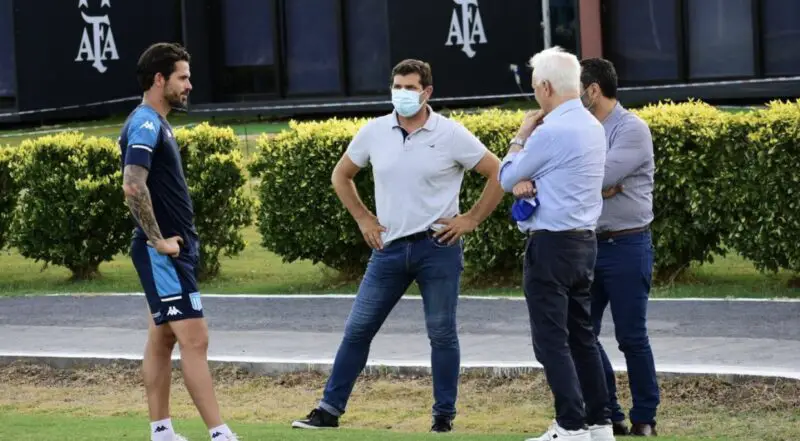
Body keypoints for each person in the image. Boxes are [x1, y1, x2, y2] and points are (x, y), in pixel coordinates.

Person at [291, 59, 505, 433]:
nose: (402, 94)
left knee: (441, 333)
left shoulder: (451, 134)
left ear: (427, 93)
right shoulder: (375, 131)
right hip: (388, 249)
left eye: (410, 88)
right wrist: (363, 218)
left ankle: (443, 417)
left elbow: (498, 172)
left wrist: (471, 218)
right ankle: (328, 410)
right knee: (358, 329)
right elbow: (341, 175)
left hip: (437, 247)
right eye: (397, 87)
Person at [120, 42, 238, 441]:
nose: (189, 85)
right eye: (182, 77)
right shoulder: (146, 124)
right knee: (195, 338)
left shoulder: (157, 122)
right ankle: (220, 434)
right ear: (160, 79)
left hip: (171, 250)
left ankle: (162, 432)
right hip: (164, 253)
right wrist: (159, 241)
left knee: (164, 336)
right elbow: (133, 186)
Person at [498, 47, 615, 441]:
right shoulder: (591, 125)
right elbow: (545, 176)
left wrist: (521, 135)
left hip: (551, 245)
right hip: (584, 242)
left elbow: (506, 175)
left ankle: (570, 424)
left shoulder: (549, 130)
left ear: (546, 87)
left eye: (535, 88)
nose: (535, 96)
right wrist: (531, 181)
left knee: (551, 341)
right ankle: (599, 421)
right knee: (581, 335)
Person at [579, 57, 660, 437]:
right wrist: (595, 183)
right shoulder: (581, 129)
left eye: (576, 88)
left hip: (628, 245)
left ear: (593, 90)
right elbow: (589, 179)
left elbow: (602, 176)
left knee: (631, 336)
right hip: (588, 245)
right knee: (581, 332)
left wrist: (592, 181)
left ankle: (645, 416)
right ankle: (609, 412)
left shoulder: (632, 130)